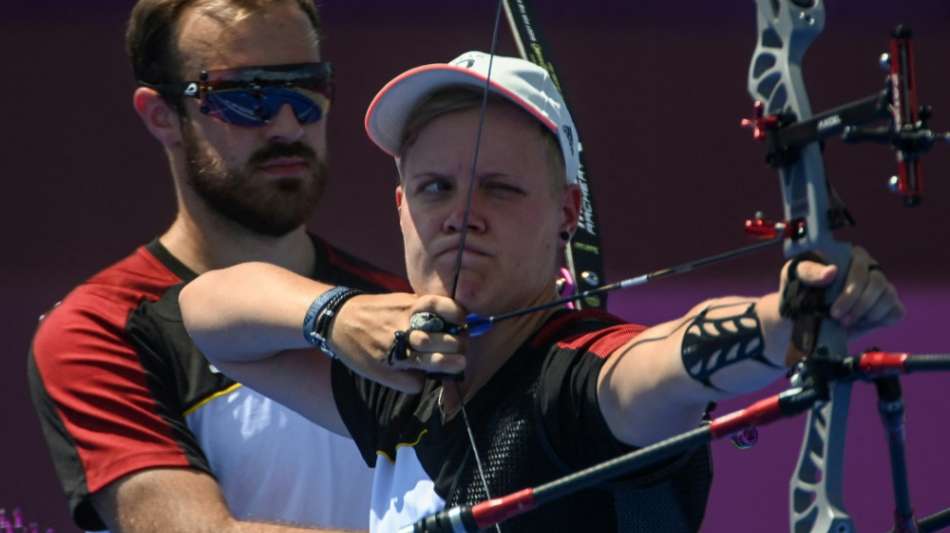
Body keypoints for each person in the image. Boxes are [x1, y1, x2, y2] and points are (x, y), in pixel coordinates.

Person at [178, 51, 905, 531]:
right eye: (434, 187)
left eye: (500, 186)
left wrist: (788, 315)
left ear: (566, 212)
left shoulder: (576, 386)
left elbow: (660, 362)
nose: (461, 212)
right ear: (401, 208)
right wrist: (333, 317)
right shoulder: (400, 381)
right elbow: (207, 312)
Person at [27, 1, 461, 531]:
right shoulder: (99, 329)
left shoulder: (397, 305)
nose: (285, 123)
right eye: (242, 95)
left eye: (306, 87)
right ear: (162, 115)